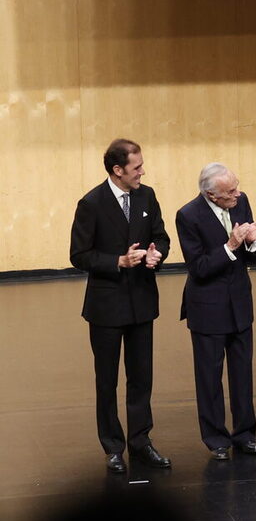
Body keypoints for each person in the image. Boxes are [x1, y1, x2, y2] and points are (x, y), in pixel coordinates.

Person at [70, 138, 172, 473]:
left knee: (142, 377)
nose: (143, 171)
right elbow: (79, 255)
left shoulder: (147, 195)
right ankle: (113, 446)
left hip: (142, 302)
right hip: (107, 307)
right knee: (107, 379)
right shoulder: (92, 203)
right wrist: (118, 260)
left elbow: (161, 235)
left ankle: (141, 442)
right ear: (118, 170)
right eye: (136, 167)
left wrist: (158, 253)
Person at [176, 163, 256, 460]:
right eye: (230, 192)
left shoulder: (242, 202)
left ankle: (245, 434)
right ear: (212, 195)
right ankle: (216, 439)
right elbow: (199, 268)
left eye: (237, 186)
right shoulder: (189, 216)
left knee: (242, 374)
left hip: (240, 303)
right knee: (209, 377)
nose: (237, 194)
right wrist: (230, 245)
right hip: (207, 308)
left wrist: (251, 243)